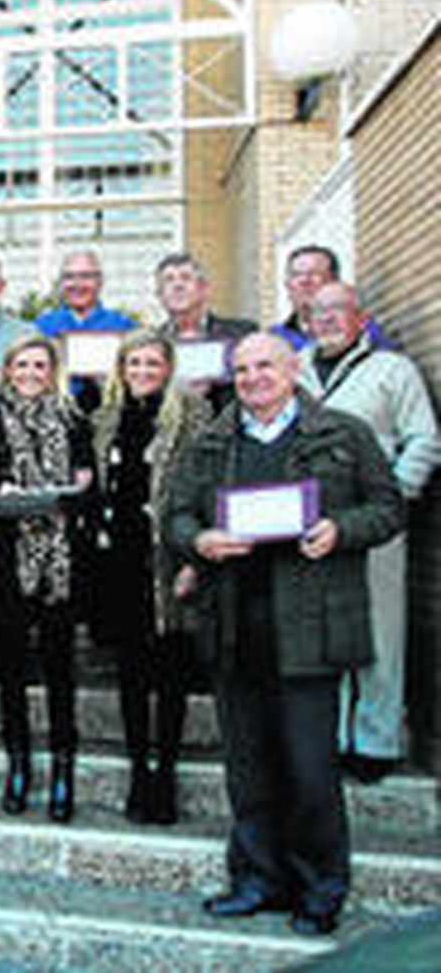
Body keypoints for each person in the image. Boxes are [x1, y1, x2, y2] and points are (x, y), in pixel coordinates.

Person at [165, 332, 403, 937]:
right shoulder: (214, 440)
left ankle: (320, 887)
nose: (252, 378)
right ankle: (256, 879)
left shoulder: (343, 433)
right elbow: (176, 514)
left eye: (265, 365)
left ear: (292, 367)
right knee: (247, 769)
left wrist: (338, 530)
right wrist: (198, 541)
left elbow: (388, 507)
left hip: (311, 627)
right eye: (241, 370)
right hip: (234, 625)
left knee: (310, 768)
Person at [300, 283, 440, 783]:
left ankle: (375, 741)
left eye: (338, 310)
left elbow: (424, 439)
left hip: (372, 520)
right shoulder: (294, 369)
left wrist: (395, 494)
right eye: (318, 312)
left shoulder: (393, 370)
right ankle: (332, 735)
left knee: (380, 628)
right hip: (308, 524)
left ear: (361, 318)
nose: (328, 320)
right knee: (322, 631)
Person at [92, 332, 212, 825]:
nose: (142, 370)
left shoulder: (192, 418)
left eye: (151, 363)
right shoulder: (105, 419)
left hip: (168, 560)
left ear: (168, 368)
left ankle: (165, 773)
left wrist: (195, 562)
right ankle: (139, 770)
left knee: (170, 673)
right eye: (133, 362)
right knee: (131, 673)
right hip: (118, 563)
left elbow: (207, 491)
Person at [0, 336, 96, 823]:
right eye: (21, 364)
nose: (30, 373)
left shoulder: (74, 419)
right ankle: (19, 765)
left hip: (61, 563)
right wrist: (0, 490)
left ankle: (63, 770)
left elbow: (92, 487)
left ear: (53, 371)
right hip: (9, 559)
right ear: (8, 370)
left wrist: (77, 491)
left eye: (39, 365)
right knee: (11, 670)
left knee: (60, 669)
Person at [33, 251, 137, 414]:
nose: (77, 284)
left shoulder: (123, 327)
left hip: (109, 414)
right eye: (69, 277)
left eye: (85, 276)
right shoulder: (42, 327)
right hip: (54, 414)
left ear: (100, 281)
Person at [152, 253, 255, 412]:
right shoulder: (152, 342)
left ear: (203, 289)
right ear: (159, 295)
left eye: (186, 278)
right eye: (169, 280)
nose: (178, 285)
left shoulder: (241, 333)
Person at [273, 245, 393, 352]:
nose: (304, 281)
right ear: (288, 286)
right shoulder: (274, 338)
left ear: (334, 282)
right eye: (296, 275)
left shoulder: (362, 329)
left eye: (313, 274)